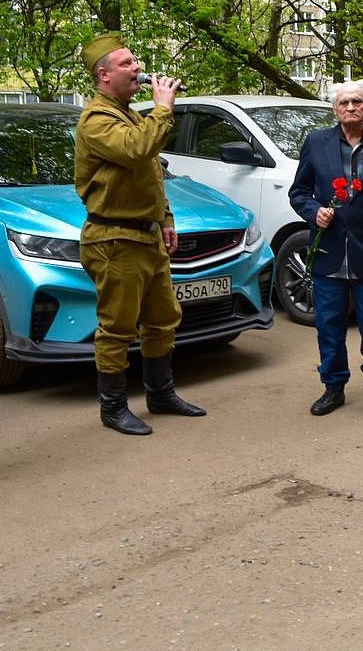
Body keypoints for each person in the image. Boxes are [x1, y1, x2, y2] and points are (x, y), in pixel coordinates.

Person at [75, 32, 205, 436]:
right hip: (114, 239)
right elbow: (135, 149)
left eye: (135, 62)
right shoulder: (97, 119)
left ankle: (160, 394)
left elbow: (149, 175)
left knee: (164, 319)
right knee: (117, 327)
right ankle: (112, 408)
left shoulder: (131, 114)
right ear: (104, 75)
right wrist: (163, 109)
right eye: (128, 63)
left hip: (145, 237)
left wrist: (165, 219)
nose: (138, 69)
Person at [289, 81, 363, 421]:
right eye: (344, 102)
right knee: (329, 324)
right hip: (329, 251)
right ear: (335, 109)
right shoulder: (316, 143)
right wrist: (314, 212)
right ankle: (333, 386)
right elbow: (299, 192)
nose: (350, 107)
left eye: (357, 102)